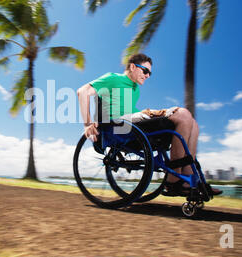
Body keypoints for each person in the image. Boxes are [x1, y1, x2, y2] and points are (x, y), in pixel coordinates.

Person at [76, 53, 222, 196]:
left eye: (150, 73)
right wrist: (87, 123)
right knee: (183, 114)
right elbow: (82, 92)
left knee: (193, 124)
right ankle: (173, 180)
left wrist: (147, 114)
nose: (147, 76)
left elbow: (131, 111)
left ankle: (189, 176)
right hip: (118, 126)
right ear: (133, 67)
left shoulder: (135, 89)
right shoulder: (113, 78)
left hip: (134, 123)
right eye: (145, 71)